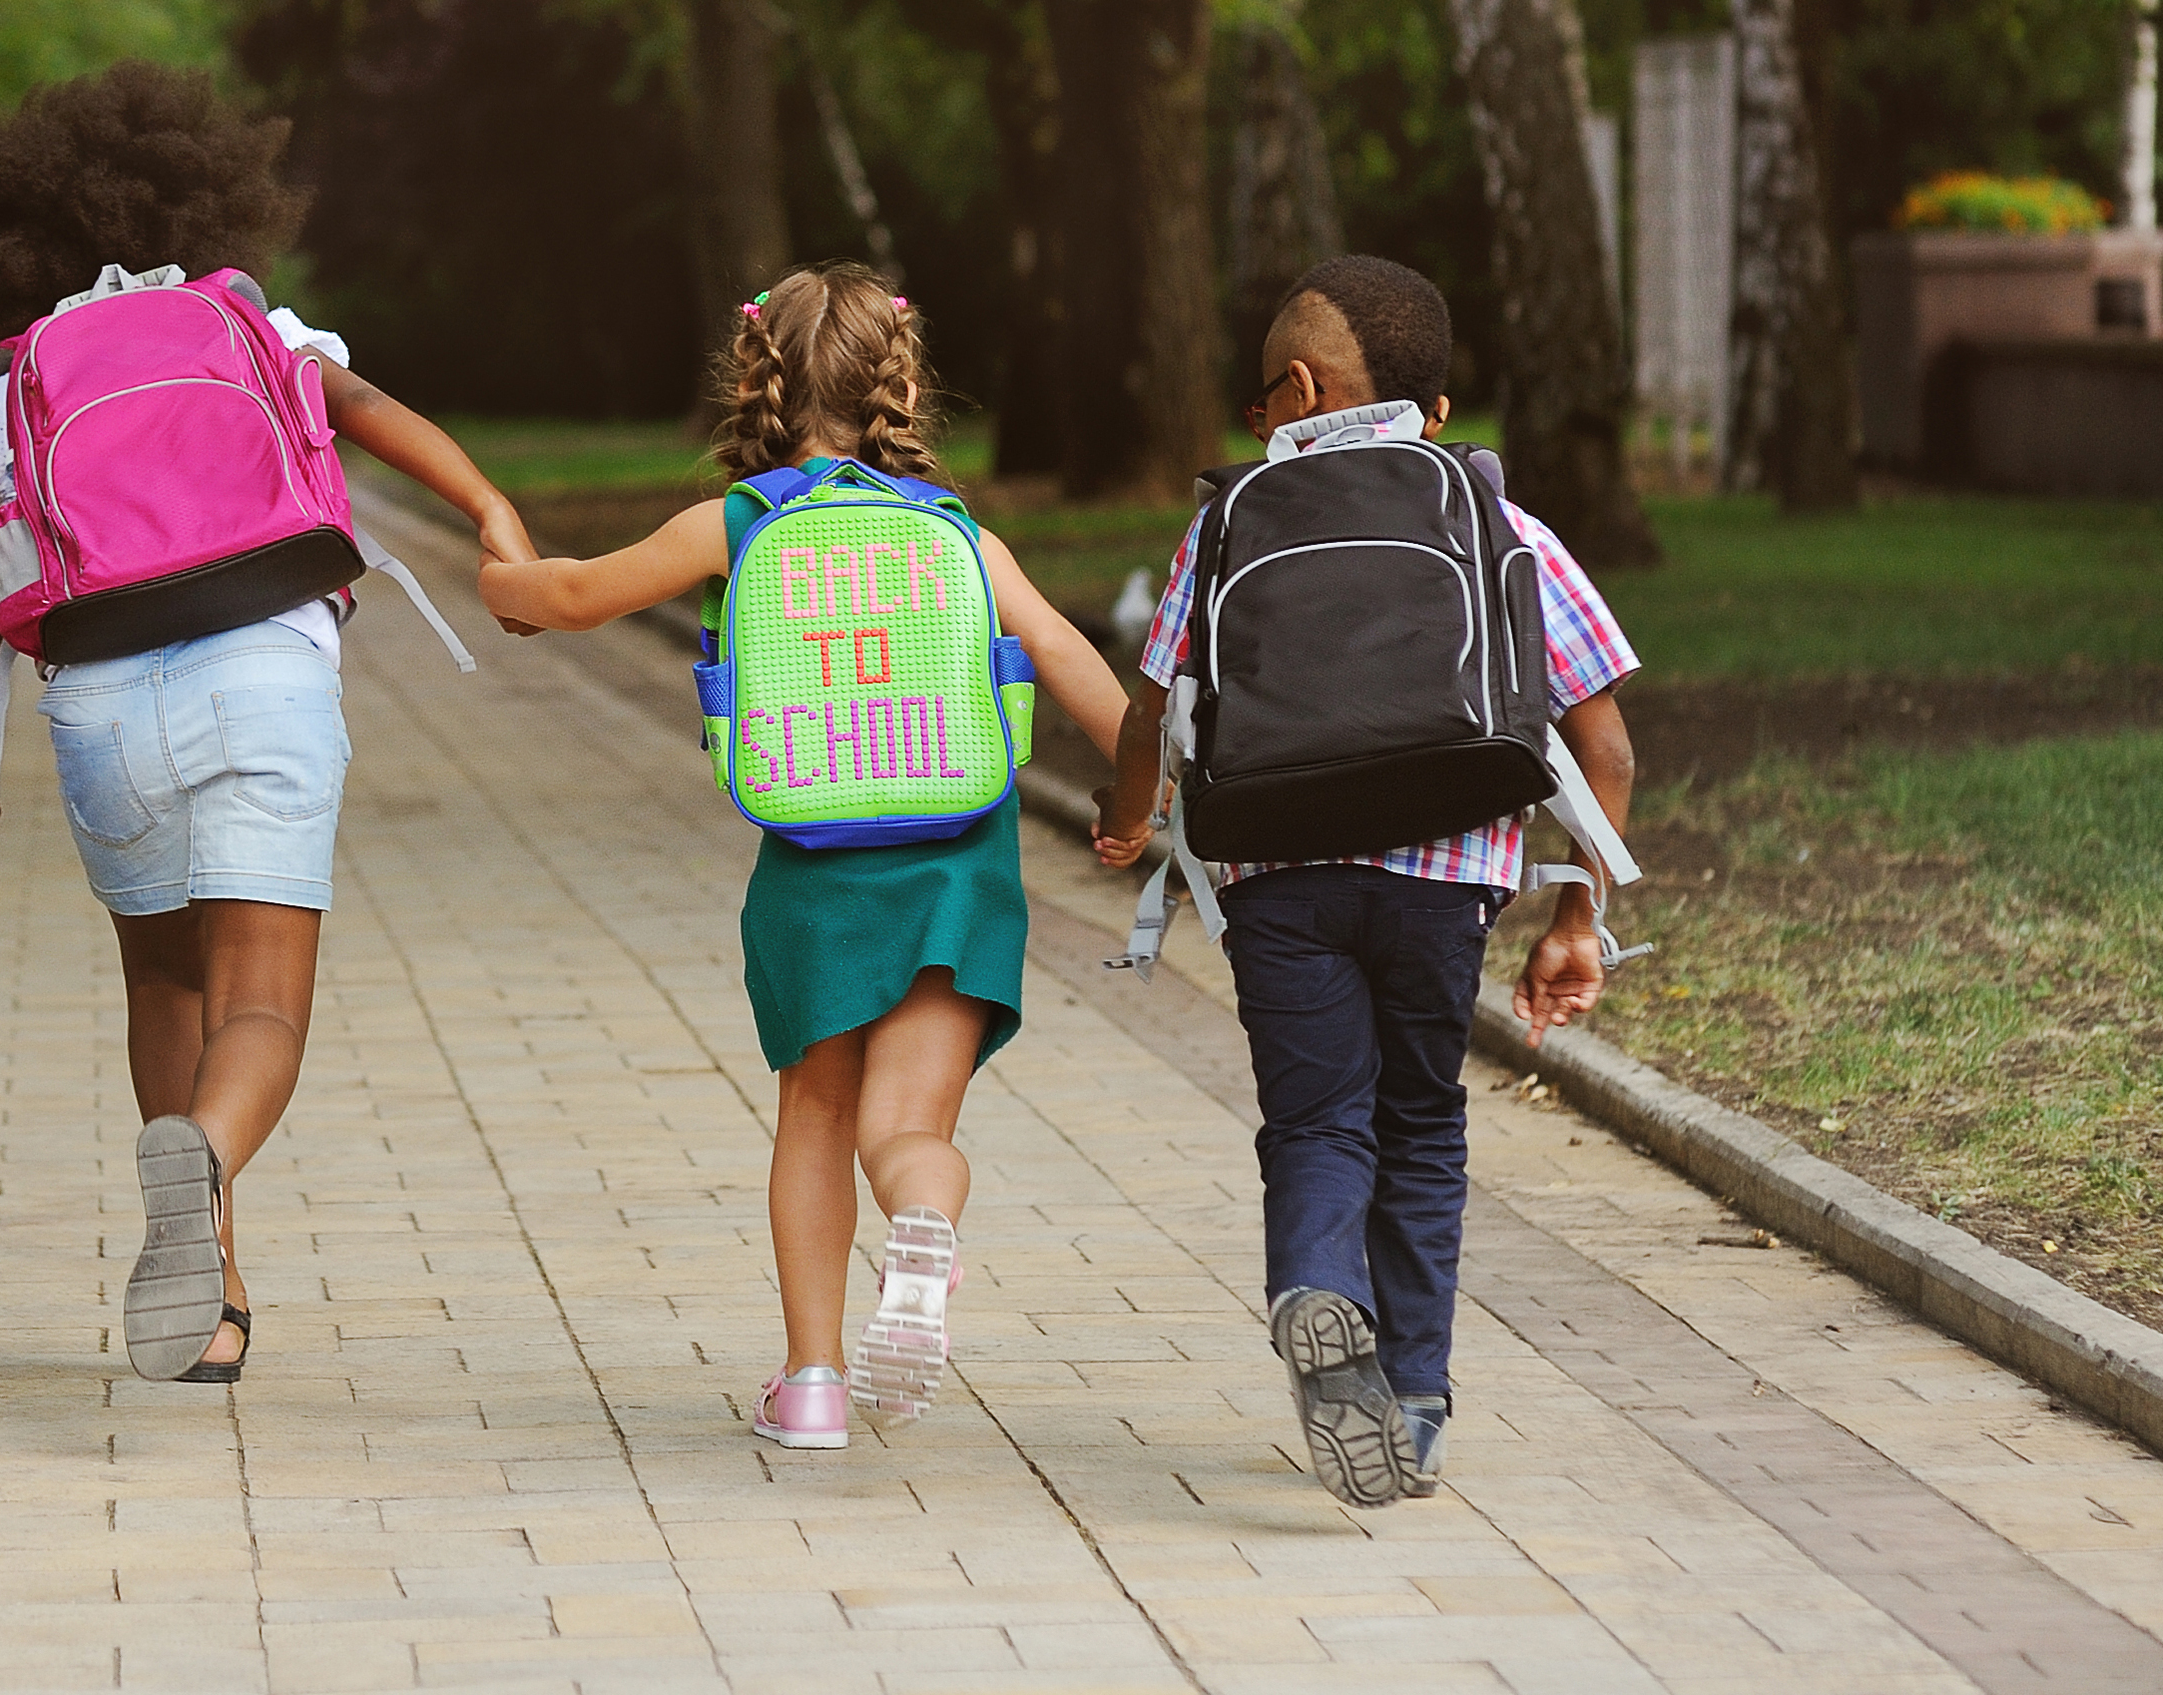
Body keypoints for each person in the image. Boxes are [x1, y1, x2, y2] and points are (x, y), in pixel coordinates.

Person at [0, 61, 538, 1386]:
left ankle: (215, 1288)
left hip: (103, 700)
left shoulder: (8, 390)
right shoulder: (256, 322)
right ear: (203, 205)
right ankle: (212, 1159)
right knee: (263, 1008)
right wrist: (490, 512)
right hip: (269, 670)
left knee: (166, 979)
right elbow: (362, 412)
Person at [477, 264, 1127, 1451]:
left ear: (755, 380)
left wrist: (499, 575)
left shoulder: (739, 521)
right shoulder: (957, 536)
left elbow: (568, 596)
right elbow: (1076, 666)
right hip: (957, 873)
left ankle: (813, 1384)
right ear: (904, 384)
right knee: (902, 1128)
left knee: (812, 1119)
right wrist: (1141, 804)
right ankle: (922, 1224)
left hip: (817, 879)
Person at [1091, 254, 1637, 1507]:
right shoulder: (1499, 520)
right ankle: (1417, 1397)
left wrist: (1133, 824)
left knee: (1317, 1121)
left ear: (1294, 387)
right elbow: (1601, 746)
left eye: (1255, 398)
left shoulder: (1224, 523)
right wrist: (1575, 918)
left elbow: (1145, 721)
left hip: (1278, 881)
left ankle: (1313, 1286)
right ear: (1428, 413)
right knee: (1420, 1121)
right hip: (1444, 883)